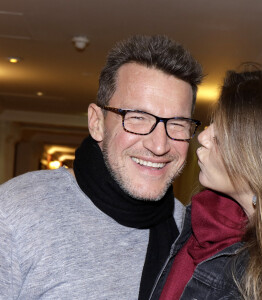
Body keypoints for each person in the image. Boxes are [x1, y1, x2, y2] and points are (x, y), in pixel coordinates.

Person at [0, 35, 203, 299]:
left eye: (177, 123)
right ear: (96, 122)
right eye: (138, 118)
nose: (160, 145)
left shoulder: (190, 234)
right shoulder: (16, 213)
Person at [149, 64, 262, 300]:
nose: (202, 137)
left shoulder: (251, 280)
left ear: (260, 160)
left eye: (219, 137)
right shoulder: (210, 223)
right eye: (211, 125)